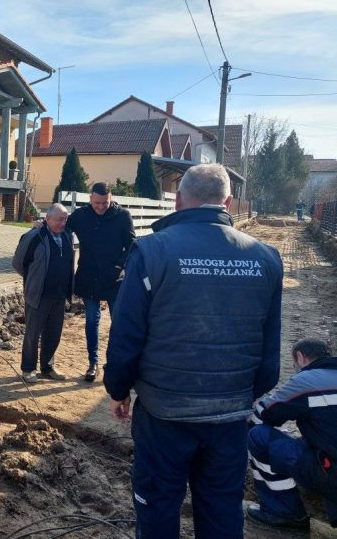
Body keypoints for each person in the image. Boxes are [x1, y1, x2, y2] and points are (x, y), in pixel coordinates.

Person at [104, 163, 284, 539]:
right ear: (228, 202)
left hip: (164, 415)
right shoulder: (266, 258)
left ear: (178, 200)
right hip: (230, 418)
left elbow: (126, 334)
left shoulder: (151, 251)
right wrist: (240, 397)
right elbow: (270, 357)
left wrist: (118, 389)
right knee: (222, 509)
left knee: (157, 508)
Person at [247, 338, 337, 531]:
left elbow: (263, 415)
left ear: (300, 357)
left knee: (258, 436)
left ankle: (284, 512)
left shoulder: (307, 380)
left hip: (333, 477)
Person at [67, 182, 135, 382]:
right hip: (89, 276)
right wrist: (43, 225)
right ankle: (93, 363)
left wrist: (120, 266)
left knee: (118, 323)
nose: (100, 207)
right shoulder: (80, 215)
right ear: (90, 199)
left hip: (114, 278)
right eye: (97, 203)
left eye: (105, 203)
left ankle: (117, 364)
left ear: (111, 198)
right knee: (91, 321)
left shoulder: (122, 216)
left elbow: (132, 245)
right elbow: (61, 225)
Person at [12, 203, 74, 383]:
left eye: (65, 219)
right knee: (33, 333)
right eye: (59, 219)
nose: (62, 223)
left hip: (59, 294)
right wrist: (33, 279)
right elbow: (18, 263)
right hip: (39, 294)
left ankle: (47, 367)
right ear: (47, 219)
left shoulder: (67, 235)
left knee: (53, 333)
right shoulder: (34, 236)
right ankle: (28, 369)